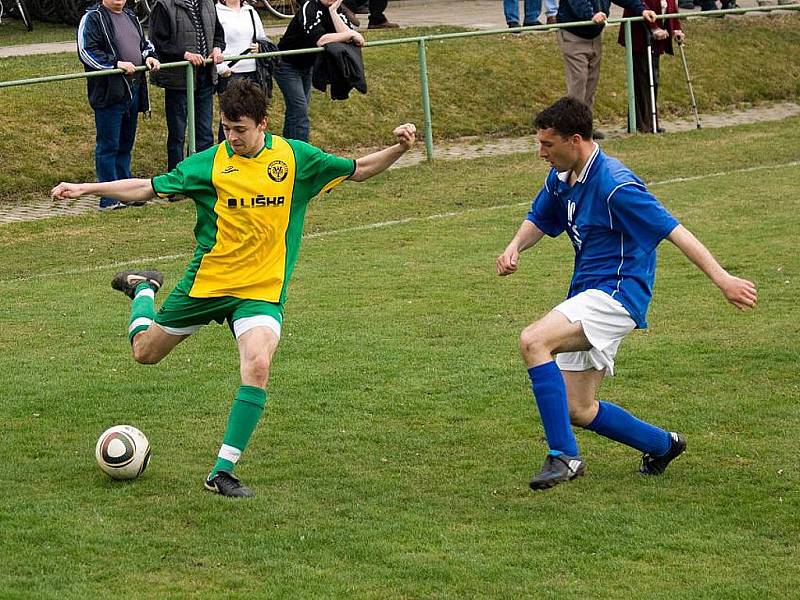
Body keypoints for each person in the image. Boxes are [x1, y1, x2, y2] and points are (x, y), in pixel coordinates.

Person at [51, 79, 417, 498]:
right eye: (226, 128)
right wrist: (86, 188)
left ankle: (221, 472)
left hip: (260, 288)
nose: (232, 137)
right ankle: (143, 292)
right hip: (208, 282)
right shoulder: (209, 163)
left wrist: (400, 149)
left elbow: (359, 169)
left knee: (258, 365)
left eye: (240, 129)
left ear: (263, 124)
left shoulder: (295, 159)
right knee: (144, 354)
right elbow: (147, 187)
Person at [495, 97, 757, 491]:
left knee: (534, 341)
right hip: (588, 293)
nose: (541, 153)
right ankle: (663, 444)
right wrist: (515, 245)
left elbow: (674, 230)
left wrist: (724, 280)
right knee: (576, 408)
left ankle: (563, 455)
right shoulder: (562, 178)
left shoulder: (616, 184)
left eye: (548, 145)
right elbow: (540, 217)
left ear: (576, 140)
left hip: (617, 294)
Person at [77, 0, 161, 210]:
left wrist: (149, 57)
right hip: (108, 94)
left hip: (133, 90)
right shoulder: (93, 17)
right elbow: (86, 52)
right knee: (108, 147)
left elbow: (144, 44)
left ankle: (127, 192)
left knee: (125, 145)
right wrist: (115, 64)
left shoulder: (132, 16)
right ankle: (108, 198)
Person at [555, 0, 657, 139]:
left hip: (594, 34)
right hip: (574, 34)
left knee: (591, 84)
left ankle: (585, 128)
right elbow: (576, 3)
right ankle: (572, 130)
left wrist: (642, 9)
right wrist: (590, 14)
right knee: (578, 82)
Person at [149, 0, 226, 170]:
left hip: (205, 78)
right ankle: (177, 180)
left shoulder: (208, 3)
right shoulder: (164, 5)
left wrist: (218, 48)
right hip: (179, 80)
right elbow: (158, 42)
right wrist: (184, 54)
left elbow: (218, 33)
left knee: (204, 132)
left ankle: (202, 177)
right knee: (177, 134)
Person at [275, 0, 364, 142]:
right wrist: (350, 35)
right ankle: (300, 153)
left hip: (307, 65)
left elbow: (347, 34)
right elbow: (321, 39)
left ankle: (291, 148)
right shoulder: (309, 7)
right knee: (299, 110)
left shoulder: (336, 9)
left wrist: (334, 12)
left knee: (298, 111)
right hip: (286, 63)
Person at [618, 0, 685, 133]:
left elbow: (671, 7)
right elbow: (639, 6)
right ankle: (641, 123)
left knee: (653, 79)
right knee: (642, 79)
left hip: (656, 40)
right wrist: (654, 28)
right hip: (639, 37)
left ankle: (651, 121)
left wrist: (676, 29)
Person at [215, 0, 267, 142]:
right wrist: (221, 68)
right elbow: (213, 42)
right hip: (230, 73)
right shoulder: (217, 11)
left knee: (253, 117)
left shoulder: (250, 11)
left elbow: (263, 38)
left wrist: (260, 48)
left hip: (253, 73)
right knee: (231, 118)